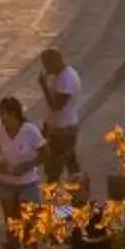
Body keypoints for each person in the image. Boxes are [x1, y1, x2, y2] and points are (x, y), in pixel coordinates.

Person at [0, 95, 45, 211]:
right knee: (11, 221)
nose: (1, 118)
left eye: (3, 114)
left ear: (14, 114)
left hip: (28, 183)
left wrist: (26, 166)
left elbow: (45, 153)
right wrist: (0, 166)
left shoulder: (30, 131)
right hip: (7, 184)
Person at [37, 46, 83, 179]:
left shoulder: (66, 79)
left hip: (63, 131)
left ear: (54, 62)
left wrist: (44, 86)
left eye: (46, 64)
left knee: (53, 169)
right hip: (59, 128)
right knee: (70, 162)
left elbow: (56, 106)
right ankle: (78, 193)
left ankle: (56, 196)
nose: (45, 68)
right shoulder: (61, 76)